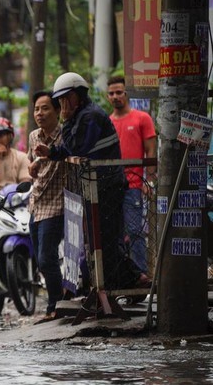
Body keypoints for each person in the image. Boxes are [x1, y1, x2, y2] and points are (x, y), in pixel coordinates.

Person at [34, 71, 144, 290]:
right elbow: (68, 148)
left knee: (108, 241)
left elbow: (78, 147)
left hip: (108, 185)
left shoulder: (90, 115)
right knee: (98, 242)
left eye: (68, 97)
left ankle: (132, 280)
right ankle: (116, 286)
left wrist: (64, 121)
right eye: (61, 99)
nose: (64, 103)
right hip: (96, 187)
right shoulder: (80, 115)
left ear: (79, 95)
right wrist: (52, 152)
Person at [107, 74, 157, 275]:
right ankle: (125, 277)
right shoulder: (108, 122)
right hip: (111, 186)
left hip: (134, 184)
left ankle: (142, 275)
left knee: (135, 231)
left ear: (126, 93)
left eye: (119, 92)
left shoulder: (141, 118)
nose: (115, 96)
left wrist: (150, 180)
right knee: (115, 235)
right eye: (111, 93)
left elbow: (151, 150)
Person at [27, 91, 67, 321]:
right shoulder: (34, 136)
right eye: (36, 109)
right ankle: (56, 301)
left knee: (46, 257)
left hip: (57, 203)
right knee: (41, 259)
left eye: (45, 108)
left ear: (57, 110)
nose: (40, 114)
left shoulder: (65, 136)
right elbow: (35, 164)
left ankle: (55, 305)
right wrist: (32, 165)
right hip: (36, 202)